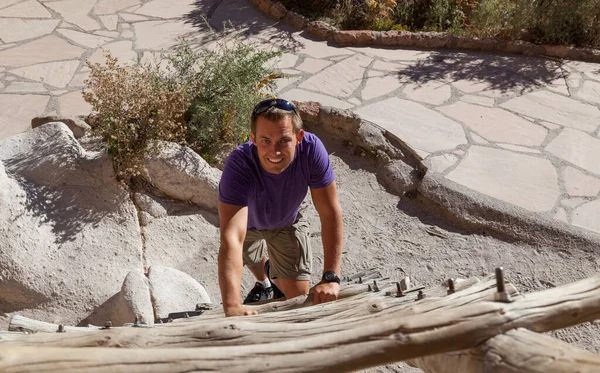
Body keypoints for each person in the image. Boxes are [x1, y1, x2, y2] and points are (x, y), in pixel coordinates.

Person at [217, 98, 344, 317]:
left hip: (287, 222)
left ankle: (270, 275)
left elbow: (329, 212)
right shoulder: (239, 164)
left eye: (284, 140)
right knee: (251, 254)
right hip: (247, 225)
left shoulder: (312, 151)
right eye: (265, 140)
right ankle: (264, 283)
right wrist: (232, 305)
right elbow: (232, 237)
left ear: (299, 137)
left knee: (296, 297)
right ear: (253, 139)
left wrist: (331, 278)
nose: (274, 151)